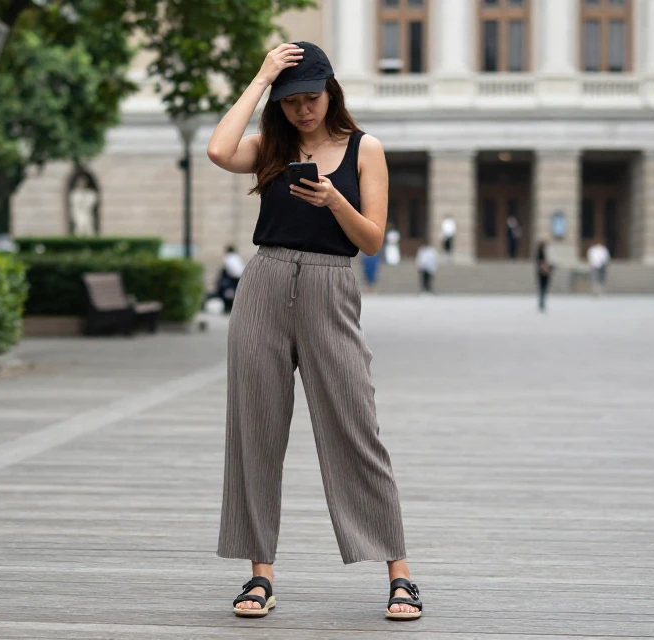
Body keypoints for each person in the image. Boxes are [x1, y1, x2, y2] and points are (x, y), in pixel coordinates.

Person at [205, 42, 422, 621]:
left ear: (332, 93)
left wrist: (333, 201)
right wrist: (260, 78)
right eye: (292, 101)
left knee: (357, 426)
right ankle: (260, 575)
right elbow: (217, 149)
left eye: (311, 98)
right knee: (256, 430)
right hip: (265, 283)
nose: (303, 110)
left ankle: (399, 571)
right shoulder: (272, 149)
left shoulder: (364, 148)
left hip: (331, 285)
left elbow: (371, 240)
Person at [215, 245, 245, 314]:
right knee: (236, 293)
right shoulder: (237, 257)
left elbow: (229, 269)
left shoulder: (228, 257)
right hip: (239, 277)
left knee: (227, 293)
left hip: (232, 278)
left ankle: (228, 308)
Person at [536, 239, 552, 312]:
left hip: (541, 272)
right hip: (542, 273)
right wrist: (546, 269)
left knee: (542, 289)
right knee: (543, 288)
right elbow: (541, 263)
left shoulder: (540, 252)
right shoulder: (541, 253)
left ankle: (541, 303)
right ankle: (541, 303)